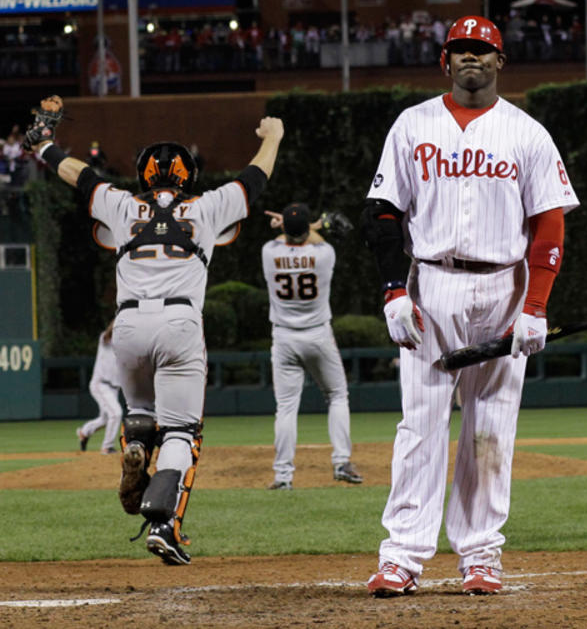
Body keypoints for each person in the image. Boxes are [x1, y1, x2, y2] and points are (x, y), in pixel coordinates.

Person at [361, 16, 579, 596]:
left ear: (500, 61)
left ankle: (481, 555)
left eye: (482, 50)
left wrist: (535, 305)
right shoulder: (412, 126)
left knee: (491, 428)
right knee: (420, 424)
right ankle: (403, 556)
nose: (471, 58)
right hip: (432, 285)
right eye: (461, 50)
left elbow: (549, 224)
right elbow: (383, 213)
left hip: (504, 289)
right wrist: (393, 290)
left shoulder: (527, 133)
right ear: (445, 60)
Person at [23, 95, 284, 565]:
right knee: (183, 432)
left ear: (144, 175)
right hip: (179, 321)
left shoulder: (123, 206)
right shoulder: (207, 208)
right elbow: (255, 178)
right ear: (189, 176)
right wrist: (274, 137)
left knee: (139, 411)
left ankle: (139, 444)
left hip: (127, 324)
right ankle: (165, 525)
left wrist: (44, 146)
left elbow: (80, 176)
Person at [261, 202, 363, 490]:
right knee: (338, 395)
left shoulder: (269, 252)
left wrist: (287, 226)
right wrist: (314, 226)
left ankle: (283, 477)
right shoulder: (324, 254)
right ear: (309, 228)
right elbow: (311, 238)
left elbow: (288, 238)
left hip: (284, 338)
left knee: (286, 408)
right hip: (317, 335)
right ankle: (341, 461)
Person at [76, 320, 122, 454]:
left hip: (114, 388)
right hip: (101, 384)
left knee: (105, 419)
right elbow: (108, 333)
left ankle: (84, 432)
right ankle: (107, 446)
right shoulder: (106, 339)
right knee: (116, 413)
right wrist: (118, 321)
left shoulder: (126, 344)